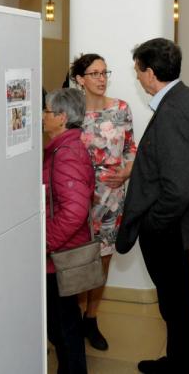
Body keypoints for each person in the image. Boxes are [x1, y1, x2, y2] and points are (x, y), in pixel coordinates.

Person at [115, 38, 189, 374]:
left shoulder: (172, 112)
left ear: (151, 73)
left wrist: (154, 223)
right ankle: (178, 362)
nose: (138, 78)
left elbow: (178, 189)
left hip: (167, 229)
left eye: (139, 71)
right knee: (177, 304)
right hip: (177, 225)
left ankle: (178, 366)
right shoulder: (188, 99)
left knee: (175, 304)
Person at [70, 53, 138, 351]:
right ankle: (72, 318)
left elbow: (131, 148)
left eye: (104, 72)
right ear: (80, 79)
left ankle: (91, 318)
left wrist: (125, 173)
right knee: (77, 260)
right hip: (78, 198)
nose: (101, 78)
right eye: (94, 73)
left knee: (104, 260)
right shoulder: (71, 112)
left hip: (112, 198)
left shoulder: (121, 109)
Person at [43, 88, 95, 374]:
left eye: (46, 111)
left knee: (63, 326)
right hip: (61, 253)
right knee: (65, 323)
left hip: (59, 258)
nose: (42, 116)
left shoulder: (65, 155)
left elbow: (75, 210)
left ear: (61, 118)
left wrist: (45, 241)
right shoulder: (68, 147)